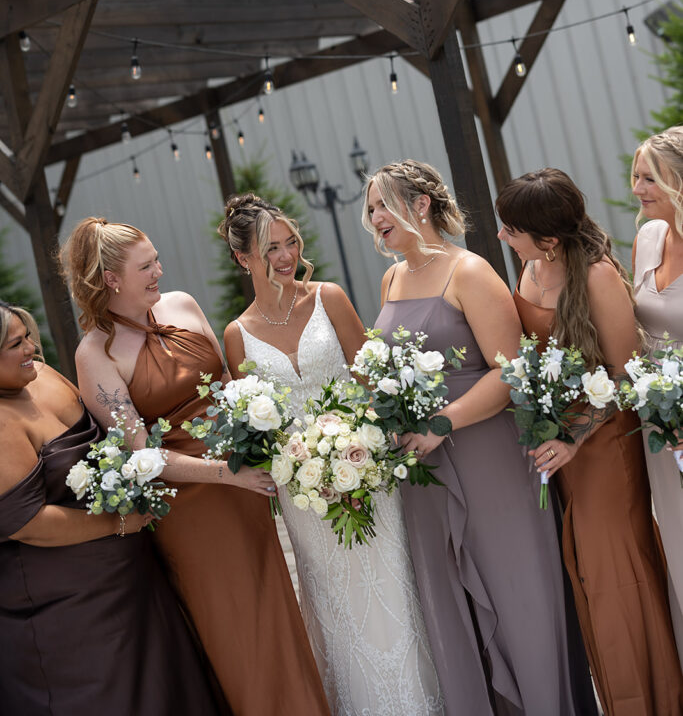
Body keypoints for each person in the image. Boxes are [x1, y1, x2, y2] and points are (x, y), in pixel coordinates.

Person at [61, 217, 330, 716]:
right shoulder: (94, 354)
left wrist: (258, 439)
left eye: (157, 259)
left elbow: (229, 382)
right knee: (237, 631)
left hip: (243, 481)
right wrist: (228, 474)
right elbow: (140, 454)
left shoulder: (182, 304)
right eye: (147, 266)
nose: (160, 270)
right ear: (112, 278)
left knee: (277, 609)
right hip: (191, 507)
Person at [363, 160, 578, 716]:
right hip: (425, 472)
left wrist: (442, 423)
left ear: (422, 205)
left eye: (383, 203)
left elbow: (508, 373)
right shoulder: (391, 279)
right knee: (448, 599)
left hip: (487, 457)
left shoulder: (470, 271)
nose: (374, 217)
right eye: (369, 209)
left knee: (515, 592)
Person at [221, 193, 444, 716]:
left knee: (395, 589)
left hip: (368, 471)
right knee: (340, 607)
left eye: (290, 242)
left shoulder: (329, 297)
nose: (284, 255)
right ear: (243, 259)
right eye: (269, 247)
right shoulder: (236, 336)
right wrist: (301, 469)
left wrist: (358, 445)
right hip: (306, 500)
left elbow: (371, 384)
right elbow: (258, 427)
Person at [497, 167, 683, 716]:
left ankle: (654, 701)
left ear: (549, 238)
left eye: (512, 229)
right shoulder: (531, 265)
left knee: (614, 577)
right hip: (558, 447)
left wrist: (574, 437)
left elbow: (627, 377)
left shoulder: (597, 275)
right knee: (583, 572)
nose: (503, 237)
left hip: (601, 446)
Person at [0, 300, 224, 716]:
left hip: (129, 576)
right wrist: (121, 522)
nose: (31, 347)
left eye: (28, 335)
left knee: (167, 683)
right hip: (67, 606)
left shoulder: (43, 375)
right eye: (16, 344)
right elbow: (27, 523)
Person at [632, 126, 683, 661]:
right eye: (637, 176)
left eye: (650, 177)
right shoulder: (647, 238)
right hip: (661, 431)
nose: (638, 188)